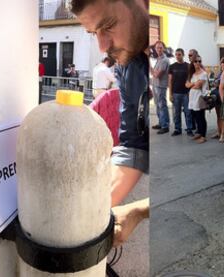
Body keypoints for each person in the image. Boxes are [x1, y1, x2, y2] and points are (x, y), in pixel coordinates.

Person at [71, 0, 149, 247]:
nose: (103, 46)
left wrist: (138, 210)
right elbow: (134, 147)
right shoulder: (126, 67)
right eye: (94, 33)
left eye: (109, 25)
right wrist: (90, 213)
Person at [168, 48, 193, 136]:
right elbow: (170, 81)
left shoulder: (188, 66)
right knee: (176, 113)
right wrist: (170, 94)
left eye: (179, 54)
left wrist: (190, 92)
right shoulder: (172, 67)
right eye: (176, 55)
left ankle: (189, 129)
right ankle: (177, 129)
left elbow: (191, 79)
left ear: (183, 55)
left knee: (188, 112)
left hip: (186, 93)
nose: (177, 56)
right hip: (176, 93)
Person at [186, 55, 208, 144]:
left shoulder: (203, 74)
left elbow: (198, 86)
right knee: (195, 116)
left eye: (199, 61)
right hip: (192, 97)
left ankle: (203, 136)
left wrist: (191, 84)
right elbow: (186, 85)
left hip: (200, 97)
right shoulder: (192, 73)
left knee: (201, 117)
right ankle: (199, 132)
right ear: (193, 63)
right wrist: (193, 84)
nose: (198, 63)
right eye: (196, 61)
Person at [150, 40, 170, 134]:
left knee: (162, 105)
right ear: (155, 49)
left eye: (161, 47)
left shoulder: (164, 60)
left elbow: (157, 75)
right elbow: (154, 74)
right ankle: (161, 123)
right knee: (158, 105)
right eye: (157, 47)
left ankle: (165, 125)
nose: (159, 49)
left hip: (161, 86)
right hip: (155, 85)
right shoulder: (158, 59)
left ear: (164, 49)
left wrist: (149, 66)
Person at [211, 57, 224, 142]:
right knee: (218, 116)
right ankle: (218, 132)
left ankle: (223, 134)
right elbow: (214, 83)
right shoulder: (219, 73)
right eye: (222, 63)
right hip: (217, 97)